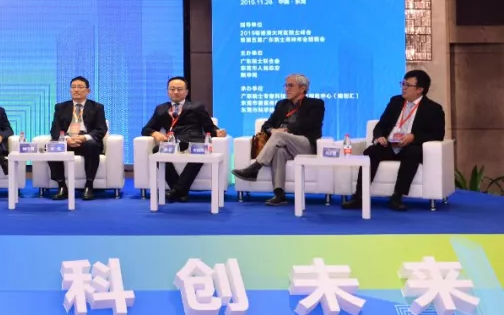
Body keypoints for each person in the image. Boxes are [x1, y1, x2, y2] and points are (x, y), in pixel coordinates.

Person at [342, 69, 445, 212]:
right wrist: (379, 136)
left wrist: (414, 137)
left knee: (413, 153)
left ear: (420, 90)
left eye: (408, 85)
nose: (403, 88)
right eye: (403, 84)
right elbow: (381, 125)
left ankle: (397, 197)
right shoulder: (396, 101)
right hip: (390, 145)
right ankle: (359, 196)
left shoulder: (433, 109)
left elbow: (437, 135)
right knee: (371, 152)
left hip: (411, 146)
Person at [232, 73, 324, 206]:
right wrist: (272, 130)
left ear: (303, 88)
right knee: (279, 151)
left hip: (305, 144)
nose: (287, 89)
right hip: (283, 144)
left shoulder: (315, 104)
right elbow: (266, 125)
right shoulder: (282, 105)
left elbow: (311, 123)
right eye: (285, 85)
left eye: (290, 85)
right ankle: (279, 194)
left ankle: (255, 168)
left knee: (279, 136)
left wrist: (286, 130)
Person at [141, 76, 225, 202]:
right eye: (172, 89)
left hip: (193, 142)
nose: (175, 92)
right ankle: (180, 191)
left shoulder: (197, 107)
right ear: (168, 91)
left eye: (179, 89)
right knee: (156, 150)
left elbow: (209, 127)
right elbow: (146, 129)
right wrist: (155, 134)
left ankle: (176, 191)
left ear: (186, 92)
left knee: (200, 152)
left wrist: (217, 132)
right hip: (172, 143)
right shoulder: (161, 109)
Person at [47, 76, 108, 201]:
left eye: (80, 87)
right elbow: (55, 129)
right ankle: (62, 186)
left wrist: (84, 137)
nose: (76, 90)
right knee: (51, 147)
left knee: (92, 145)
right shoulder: (60, 107)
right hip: (67, 140)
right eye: (73, 87)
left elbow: (101, 128)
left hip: (87, 141)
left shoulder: (97, 107)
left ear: (88, 91)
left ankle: (89, 185)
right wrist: (66, 139)